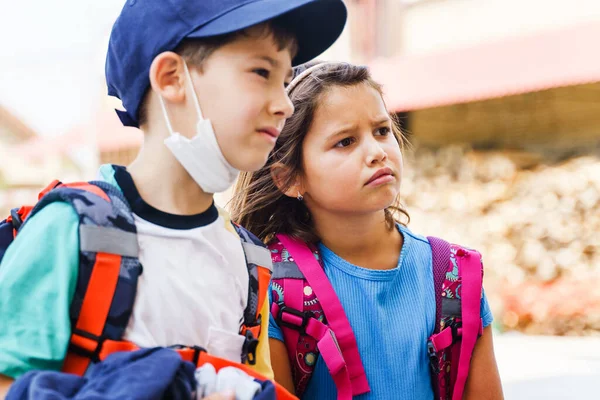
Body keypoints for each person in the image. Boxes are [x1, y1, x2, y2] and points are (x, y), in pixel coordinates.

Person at [0, 1, 347, 397]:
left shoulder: (250, 262)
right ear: (171, 78)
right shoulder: (70, 229)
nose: (284, 103)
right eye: (262, 72)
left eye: (285, 80)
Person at [231, 61, 504, 399]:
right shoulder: (270, 285)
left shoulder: (455, 276)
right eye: (345, 142)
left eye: (382, 130)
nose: (377, 153)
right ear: (289, 178)